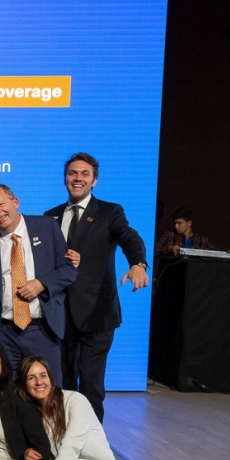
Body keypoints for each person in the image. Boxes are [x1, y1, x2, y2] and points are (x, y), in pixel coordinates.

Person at [44, 153, 149, 421]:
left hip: (96, 312)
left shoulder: (110, 212)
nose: (78, 178)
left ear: (94, 181)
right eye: (72, 173)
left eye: (85, 174)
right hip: (59, 314)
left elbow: (130, 238)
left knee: (91, 386)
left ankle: (91, 441)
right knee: (62, 384)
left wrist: (138, 264)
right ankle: (62, 436)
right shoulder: (50, 216)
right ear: (65, 178)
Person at [0, 183, 77, 381]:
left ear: (15, 202)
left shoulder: (46, 227)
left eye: (0, 204)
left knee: (48, 391)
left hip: (43, 330)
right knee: (7, 394)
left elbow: (69, 269)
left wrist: (41, 284)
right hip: (3, 334)